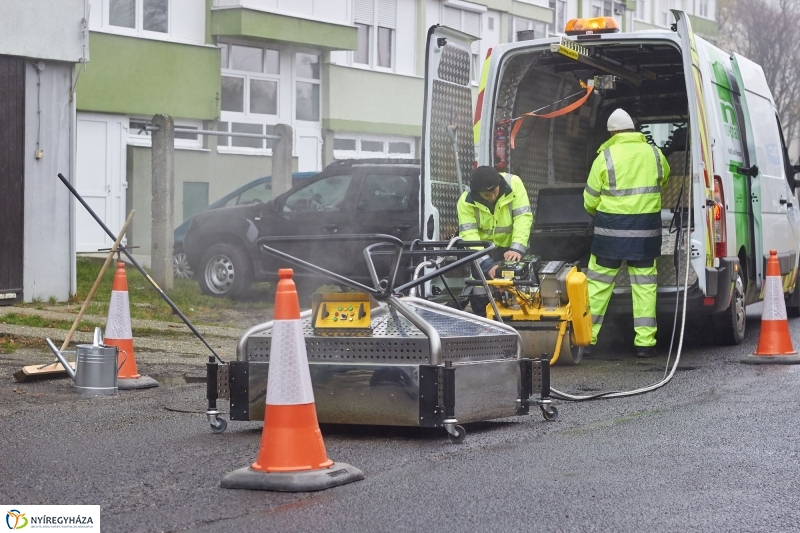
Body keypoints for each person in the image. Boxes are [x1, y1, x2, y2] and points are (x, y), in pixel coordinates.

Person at [583, 108, 670, 358]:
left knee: (598, 287)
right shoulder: (655, 154)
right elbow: (664, 179)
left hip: (609, 233)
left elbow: (590, 198)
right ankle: (645, 344)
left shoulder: (605, 156)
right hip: (645, 233)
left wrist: (600, 212)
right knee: (644, 288)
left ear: (613, 133)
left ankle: (587, 341)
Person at [457, 166, 533, 317]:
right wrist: (487, 264)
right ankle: (483, 323)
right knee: (481, 292)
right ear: (477, 192)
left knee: (519, 292)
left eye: (495, 192)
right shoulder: (465, 202)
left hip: (511, 249)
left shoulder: (514, 183)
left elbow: (523, 218)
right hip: (483, 252)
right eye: (487, 194)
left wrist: (517, 248)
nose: (492, 197)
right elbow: (469, 236)